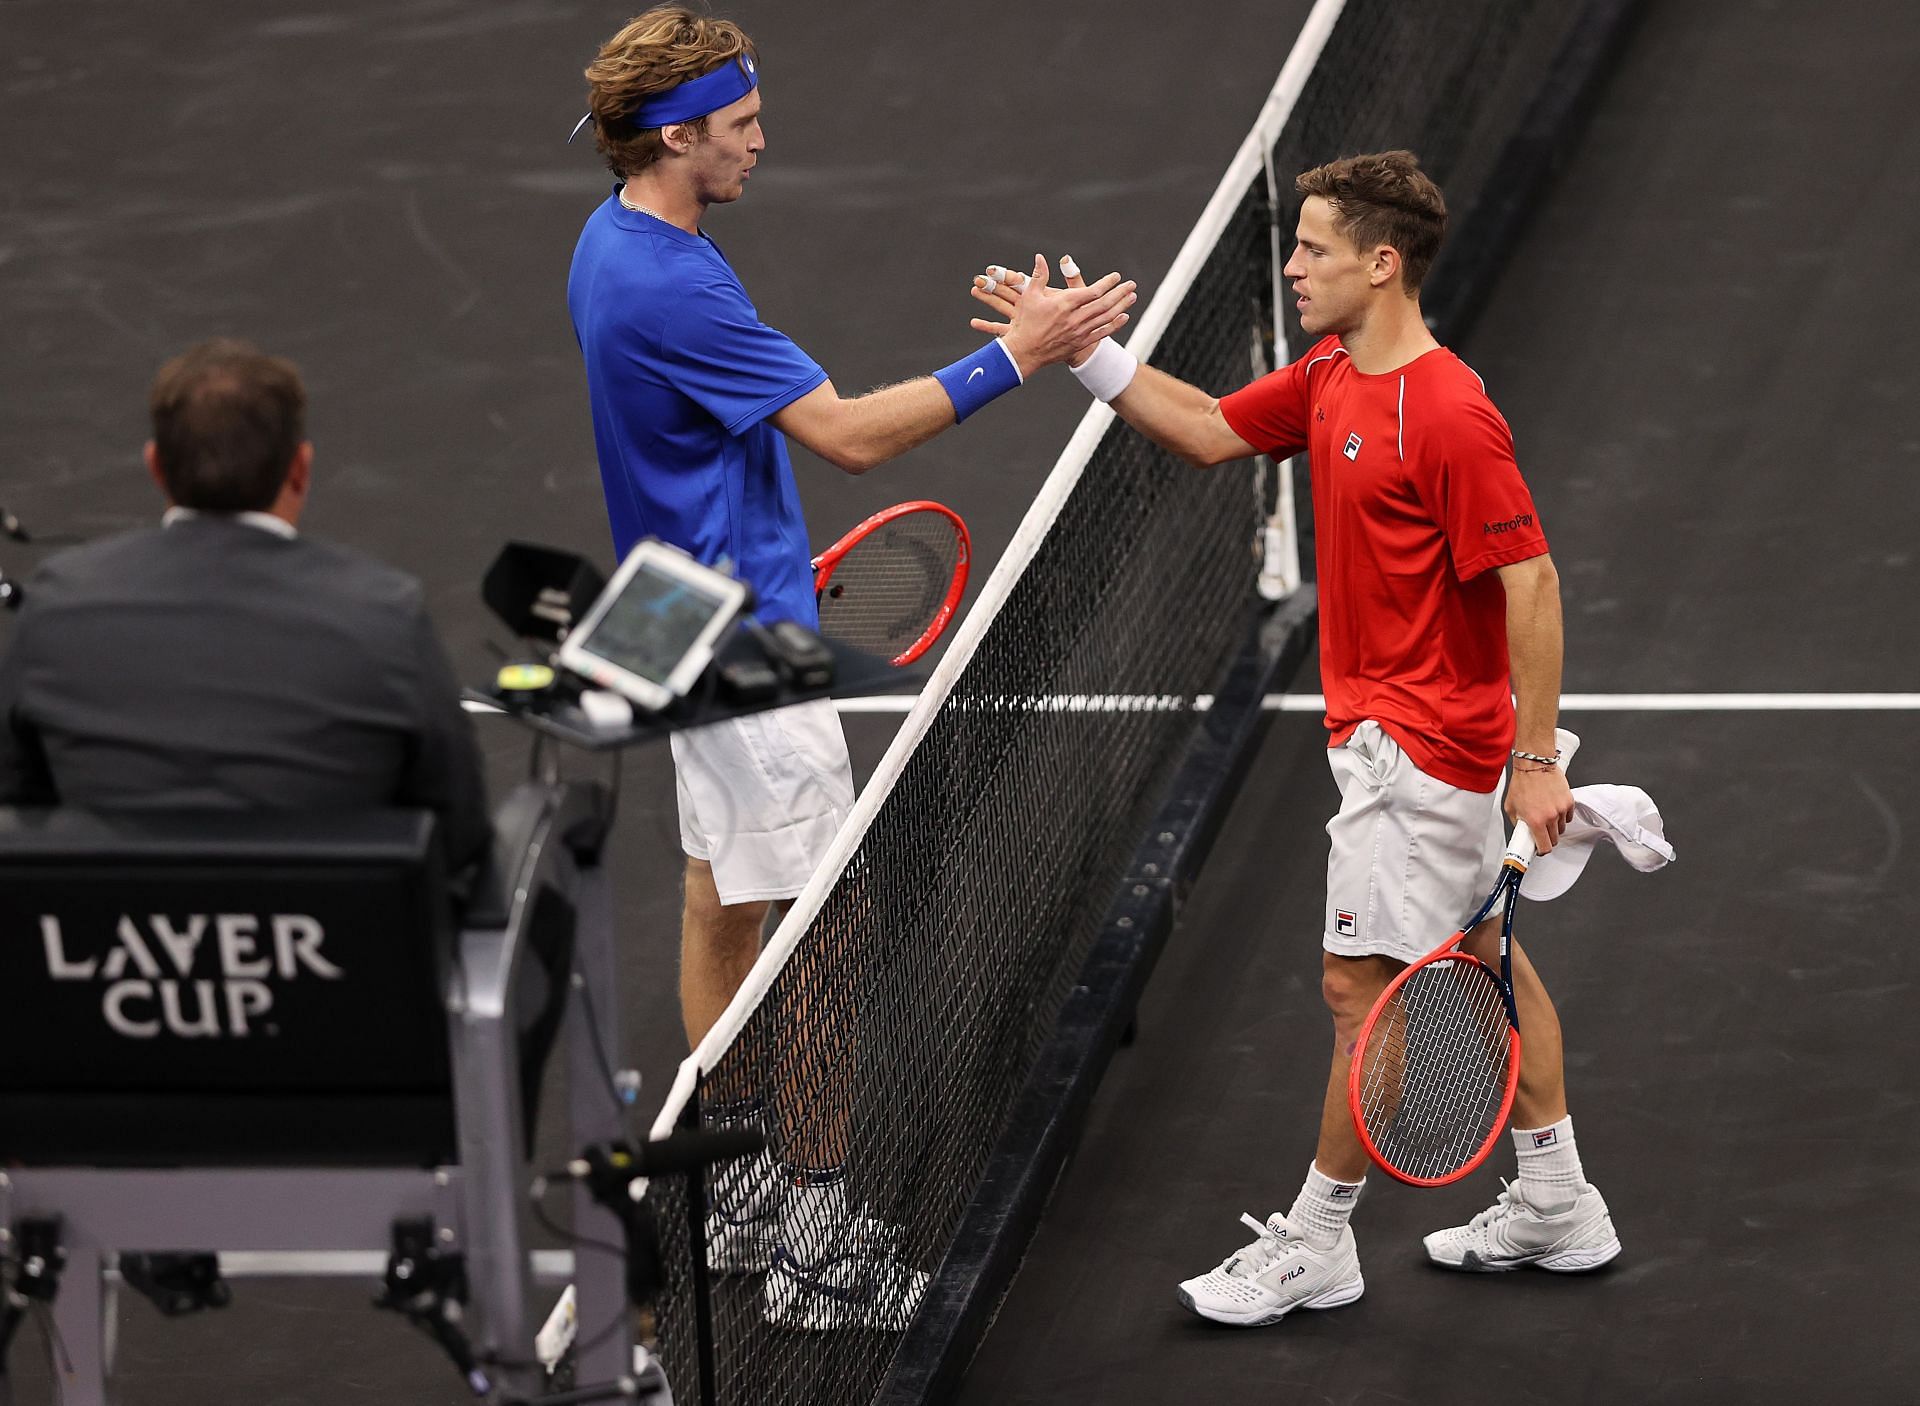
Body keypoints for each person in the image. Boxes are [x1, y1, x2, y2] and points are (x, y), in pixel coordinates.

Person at [972, 149, 1616, 1325]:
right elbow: (1213, 429)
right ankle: (1560, 1199)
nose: (1293, 264)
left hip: (1418, 753)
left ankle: (1319, 1239)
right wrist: (1079, 352)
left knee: (1357, 985)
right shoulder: (1328, 372)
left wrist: (1530, 759)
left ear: (1383, 262)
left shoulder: (1451, 410)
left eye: (1313, 247)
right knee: (1484, 959)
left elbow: (1532, 582)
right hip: (1408, 738)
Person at [565, 6, 1134, 1330]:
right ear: (673, 133)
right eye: (740, 122)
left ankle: (744, 1181)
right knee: (825, 934)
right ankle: (815, 1231)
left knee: (721, 896)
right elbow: (850, 439)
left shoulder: (610, 242)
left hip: (669, 606)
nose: (763, 138)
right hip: (747, 644)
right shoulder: (678, 281)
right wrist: (1020, 357)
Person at [0, 339, 491, 875]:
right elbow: (459, 832)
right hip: (337, 948)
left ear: (156, 467)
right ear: (300, 469)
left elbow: (18, 809)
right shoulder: (385, 616)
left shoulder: (53, 608)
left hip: (104, 946)